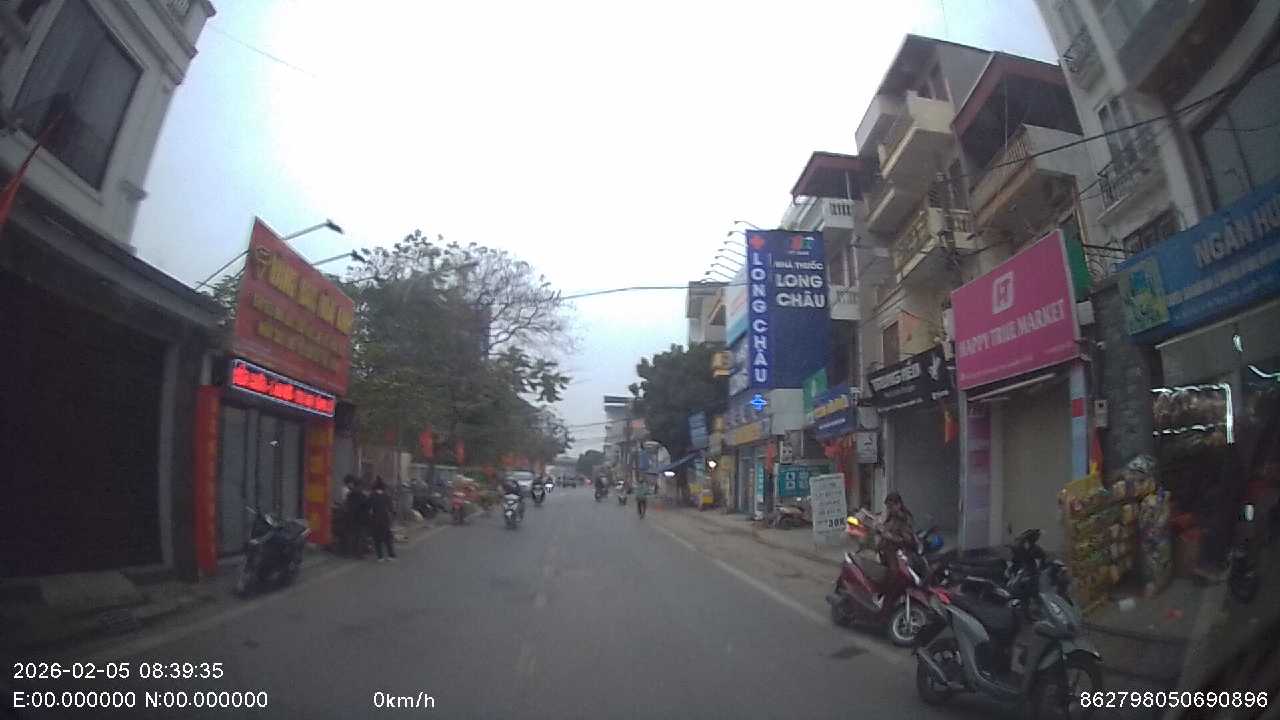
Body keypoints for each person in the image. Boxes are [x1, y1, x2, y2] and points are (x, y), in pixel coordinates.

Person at [370, 478, 396, 561]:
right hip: (385, 519)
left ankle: (380, 556)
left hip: (375, 519)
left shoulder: (372, 495)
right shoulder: (386, 496)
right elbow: (391, 508)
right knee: (387, 538)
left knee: (377, 538)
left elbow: (369, 507)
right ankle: (391, 555)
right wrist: (392, 515)